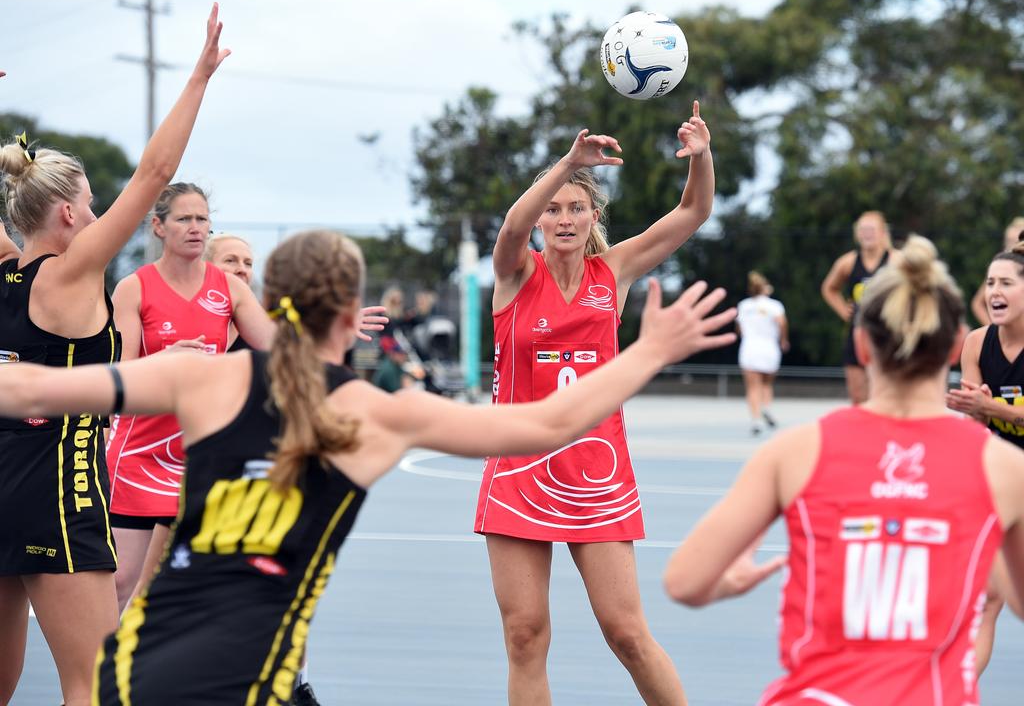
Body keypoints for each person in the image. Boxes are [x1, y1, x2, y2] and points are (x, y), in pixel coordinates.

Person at [0, 229, 736, 704]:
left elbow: (28, 384)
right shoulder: (373, 414)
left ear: (265, 302)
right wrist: (650, 351)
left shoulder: (198, 376)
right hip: (248, 680)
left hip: (135, 673)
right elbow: (549, 423)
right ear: (354, 317)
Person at [664, 235, 1024, 705]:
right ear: (958, 342)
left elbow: (685, 582)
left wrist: (729, 581)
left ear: (862, 344)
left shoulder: (796, 451)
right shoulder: (1001, 467)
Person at [0, 5, 229, 706]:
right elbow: (157, 171)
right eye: (94, 207)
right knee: (94, 687)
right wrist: (198, 77)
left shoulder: (6, 271)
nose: (101, 218)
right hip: (55, 494)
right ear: (68, 215)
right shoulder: (66, 277)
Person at [477, 101, 714, 706]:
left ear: (593, 216)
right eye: (552, 208)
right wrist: (567, 165)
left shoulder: (614, 271)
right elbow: (508, 227)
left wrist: (702, 158)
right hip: (520, 468)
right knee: (525, 634)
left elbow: (693, 211)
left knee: (627, 632)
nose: (562, 217)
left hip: (596, 473)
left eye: (576, 207)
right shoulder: (514, 272)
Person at [105, 183, 277, 612]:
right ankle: (93, 674)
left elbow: (281, 350)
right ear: (158, 226)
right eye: (184, 219)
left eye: (202, 219)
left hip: (198, 453)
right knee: (121, 580)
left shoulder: (230, 290)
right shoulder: (134, 288)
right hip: (139, 453)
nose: (196, 228)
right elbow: (118, 378)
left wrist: (333, 328)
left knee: (182, 585)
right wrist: (165, 360)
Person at [947, 237, 1024, 675]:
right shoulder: (977, 343)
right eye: (990, 282)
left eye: (1007, 283)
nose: (995, 291)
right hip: (1001, 482)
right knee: (987, 598)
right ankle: (956, 693)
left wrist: (991, 408)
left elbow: (987, 409)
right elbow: (975, 424)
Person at [821, 210, 893, 404]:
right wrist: (844, 311)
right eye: (863, 229)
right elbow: (829, 288)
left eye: (871, 229)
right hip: (858, 333)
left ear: (883, 233)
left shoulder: (897, 260)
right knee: (859, 398)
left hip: (888, 335)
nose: (867, 233)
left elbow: (919, 287)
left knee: (885, 396)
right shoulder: (848, 262)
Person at [736, 271, 788, 435]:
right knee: (766, 384)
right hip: (769, 347)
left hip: (750, 347)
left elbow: (739, 328)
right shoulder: (775, 306)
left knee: (752, 387)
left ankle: (756, 419)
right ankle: (766, 407)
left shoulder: (744, 305)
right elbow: (782, 323)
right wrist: (783, 340)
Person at [205, 232, 256, 351]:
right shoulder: (181, 321)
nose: (242, 269)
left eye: (248, 264)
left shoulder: (260, 326)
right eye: (230, 260)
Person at [970, 218, 1024, 325]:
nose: (1011, 246)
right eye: (1008, 241)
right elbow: (977, 304)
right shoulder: (999, 269)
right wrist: (994, 329)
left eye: (1015, 241)